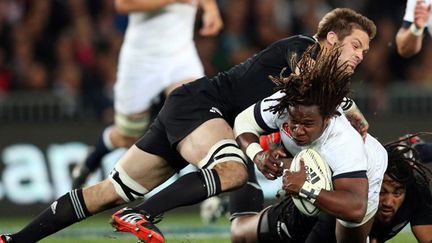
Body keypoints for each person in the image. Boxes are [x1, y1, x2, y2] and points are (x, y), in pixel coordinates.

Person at [0, 7, 376, 243]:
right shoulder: (304, 49)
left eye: (365, 51)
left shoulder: (319, 87)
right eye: (356, 46)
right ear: (330, 39)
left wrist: (353, 116)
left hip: (190, 111)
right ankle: (141, 214)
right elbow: (308, 84)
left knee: (110, 190)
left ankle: (15, 241)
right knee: (231, 170)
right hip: (202, 106)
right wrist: (350, 112)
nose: (360, 56)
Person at [230, 46, 387, 243]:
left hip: (355, 183)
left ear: (328, 118)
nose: (298, 130)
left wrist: (304, 188)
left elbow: (355, 208)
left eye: (307, 124)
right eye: (293, 122)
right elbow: (242, 123)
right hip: (306, 178)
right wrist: (258, 155)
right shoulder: (283, 103)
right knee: (241, 236)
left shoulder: (345, 142)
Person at [71, 0, 224, 188]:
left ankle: (215, 184)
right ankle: (92, 159)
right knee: (127, 135)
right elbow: (123, 4)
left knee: (198, 118)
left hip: (181, 56)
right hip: (142, 60)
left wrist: (210, 9)